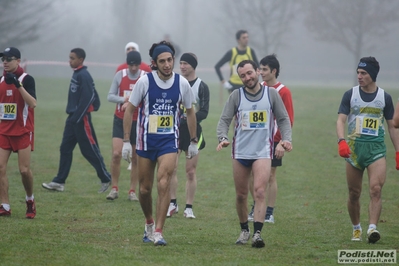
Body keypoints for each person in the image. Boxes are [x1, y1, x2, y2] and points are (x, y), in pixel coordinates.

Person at [122, 41, 198, 246]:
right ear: (154, 63)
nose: (167, 64)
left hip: (168, 142)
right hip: (146, 142)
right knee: (145, 189)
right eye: (162, 61)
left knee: (163, 182)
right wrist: (126, 142)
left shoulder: (181, 83)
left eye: (169, 60)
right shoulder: (144, 82)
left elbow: (190, 111)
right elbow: (129, 110)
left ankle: (158, 231)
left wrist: (193, 141)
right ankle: (149, 222)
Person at [216, 60, 292, 248]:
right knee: (241, 195)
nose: (247, 78)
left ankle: (257, 233)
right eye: (243, 75)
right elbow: (224, 120)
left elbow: (283, 119)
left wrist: (286, 139)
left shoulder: (271, 94)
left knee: (259, 191)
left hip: (262, 152)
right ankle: (244, 230)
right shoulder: (236, 96)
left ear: (257, 71)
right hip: (240, 151)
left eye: (250, 73)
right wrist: (222, 138)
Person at [336, 56, 399, 243]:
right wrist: (341, 141)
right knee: (354, 193)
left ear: (372, 75)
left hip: (376, 151)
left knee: (376, 189)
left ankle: (372, 228)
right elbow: (341, 119)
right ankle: (356, 228)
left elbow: (392, 127)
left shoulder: (384, 98)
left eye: (363, 73)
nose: (359, 76)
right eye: (358, 72)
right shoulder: (350, 95)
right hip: (354, 150)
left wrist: (397, 152)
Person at [42, 48, 111, 193]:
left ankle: (106, 178)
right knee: (65, 149)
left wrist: (78, 117)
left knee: (89, 151)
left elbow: (89, 97)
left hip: (81, 119)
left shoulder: (83, 75)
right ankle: (59, 182)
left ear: (80, 60)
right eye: (69, 57)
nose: (70, 60)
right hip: (72, 119)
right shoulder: (77, 73)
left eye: (72, 58)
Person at [248, 54, 294, 223]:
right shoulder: (259, 87)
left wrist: (282, 142)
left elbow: (288, 119)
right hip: (256, 137)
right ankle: (256, 206)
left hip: (274, 140)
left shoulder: (283, 91)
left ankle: (269, 212)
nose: (261, 72)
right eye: (259, 69)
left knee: (271, 176)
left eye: (264, 69)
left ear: (274, 71)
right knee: (252, 174)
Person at [167, 53, 210, 219]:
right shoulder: (174, 83)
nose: (182, 66)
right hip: (175, 131)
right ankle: (172, 204)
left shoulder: (201, 86)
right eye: (181, 63)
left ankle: (189, 207)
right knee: (171, 169)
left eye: (185, 63)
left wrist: (187, 118)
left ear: (193, 65)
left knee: (190, 172)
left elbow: (204, 112)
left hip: (193, 133)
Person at [106, 51, 148, 201]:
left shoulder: (144, 76)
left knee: (136, 157)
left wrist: (133, 103)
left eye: (137, 65)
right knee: (116, 154)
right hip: (120, 119)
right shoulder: (120, 75)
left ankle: (132, 191)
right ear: (127, 64)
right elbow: (110, 96)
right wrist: (124, 99)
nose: (134, 68)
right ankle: (114, 188)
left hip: (138, 121)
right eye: (131, 65)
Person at [0, 47, 37, 218]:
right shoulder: (1, 80)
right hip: (4, 132)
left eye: (9, 59)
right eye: (3, 59)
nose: (5, 62)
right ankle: (5, 205)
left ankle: (30, 199)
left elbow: (33, 103)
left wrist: (18, 85)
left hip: (22, 131)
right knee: (0, 167)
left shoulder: (27, 79)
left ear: (18, 61)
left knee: (24, 171)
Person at [215, 30, 258, 94]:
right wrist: (223, 82)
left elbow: (258, 67)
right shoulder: (232, 52)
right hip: (234, 85)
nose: (246, 39)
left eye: (247, 37)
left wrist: (255, 81)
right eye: (244, 38)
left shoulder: (251, 51)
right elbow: (217, 66)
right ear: (238, 40)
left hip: (248, 84)